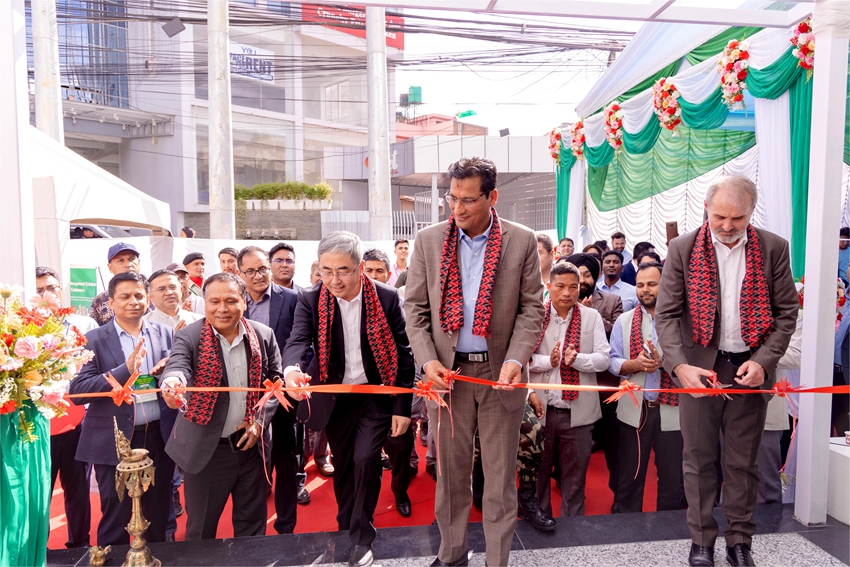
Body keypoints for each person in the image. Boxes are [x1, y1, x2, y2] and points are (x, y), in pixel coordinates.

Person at [404, 156, 544, 567]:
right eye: (453, 198)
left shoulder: (521, 240)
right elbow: (415, 310)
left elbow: (532, 309)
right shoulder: (428, 241)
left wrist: (516, 358)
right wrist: (427, 361)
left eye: (468, 200)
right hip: (447, 375)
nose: (458, 208)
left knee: (499, 481)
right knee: (450, 475)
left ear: (492, 197)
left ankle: (496, 561)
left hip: (500, 374)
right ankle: (452, 555)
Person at [655, 175, 798, 567]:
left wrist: (764, 361)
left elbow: (787, 314)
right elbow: (666, 316)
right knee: (698, 459)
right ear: (706, 208)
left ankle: (739, 542)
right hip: (700, 369)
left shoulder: (773, 248)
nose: (727, 225)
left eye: (737, 218)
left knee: (742, 463)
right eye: (720, 216)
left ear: (752, 212)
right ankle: (701, 541)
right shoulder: (683, 248)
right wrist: (680, 366)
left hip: (749, 369)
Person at [283, 231, 414, 567]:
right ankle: (347, 524)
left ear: (359, 268)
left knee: (366, 459)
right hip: (335, 397)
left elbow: (404, 352)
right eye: (326, 271)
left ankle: (361, 537)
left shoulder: (386, 297)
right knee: (344, 466)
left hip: (374, 395)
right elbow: (298, 341)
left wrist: (402, 407)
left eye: (342, 270)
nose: (334, 280)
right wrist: (292, 371)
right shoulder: (311, 298)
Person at [160, 273, 283, 540]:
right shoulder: (189, 336)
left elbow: (276, 384)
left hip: (251, 448)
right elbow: (177, 365)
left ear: (244, 302)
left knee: (252, 528)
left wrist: (259, 422)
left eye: (231, 300)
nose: (222, 308)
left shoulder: (263, 335)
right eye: (214, 301)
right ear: (204, 303)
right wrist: (172, 383)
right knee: (201, 532)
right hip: (207, 451)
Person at [69, 272, 176, 546]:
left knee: (157, 511)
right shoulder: (93, 339)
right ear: (112, 302)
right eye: (125, 296)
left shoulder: (166, 333)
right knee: (116, 513)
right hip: (114, 439)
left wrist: (168, 371)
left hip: (158, 436)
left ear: (148, 299)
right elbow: (78, 391)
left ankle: (153, 559)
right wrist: (124, 370)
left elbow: (178, 373)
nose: (133, 302)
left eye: (139, 295)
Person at [235, 245, 305, 531]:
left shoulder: (293, 299)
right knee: (249, 459)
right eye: (250, 271)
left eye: (262, 268)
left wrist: (294, 374)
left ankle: (286, 526)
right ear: (239, 273)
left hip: (283, 393)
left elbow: (303, 342)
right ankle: (252, 530)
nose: (258, 275)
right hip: (243, 394)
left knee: (285, 458)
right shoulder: (233, 302)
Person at [531, 262, 610, 517]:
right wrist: (549, 361)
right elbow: (522, 361)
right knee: (538, 476)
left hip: (578, 414)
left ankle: (573, 529)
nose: (567, 293)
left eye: (573, 287)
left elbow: (604, 359)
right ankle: (540, 522)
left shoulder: (591, 316)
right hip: (540, 411)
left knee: (575, 480)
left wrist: (576, 359)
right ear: (549, 286)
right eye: (560, 286)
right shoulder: (535, 315)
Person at [608, 262, 686, 513]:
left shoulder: (683, 321)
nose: (645, 290)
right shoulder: (624, 320)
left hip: (673, 410)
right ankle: (627, 527)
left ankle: (669, 528)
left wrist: (666, 364)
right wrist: (634, 364)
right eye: (640, 284)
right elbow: (612, 360)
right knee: (630, 474)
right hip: (635, 410)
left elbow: (694, 363)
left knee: (673, 477)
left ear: (667, 285)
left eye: (652, 284)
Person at [36, 267, 97, 549]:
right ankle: (40, 548)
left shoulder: (85, 324)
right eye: (39, 290)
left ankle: (80, 545)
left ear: (61, 290)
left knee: (78, 489)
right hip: (38, 425)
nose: (46, 295)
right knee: (39, 493)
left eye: (51, 288)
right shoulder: (22, 330)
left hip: (78, 420)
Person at [362, 248, 416, 518]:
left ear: (388, 274)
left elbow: (406, 352)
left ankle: (400, 492)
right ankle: (365, 504)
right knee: (364, 457)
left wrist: (402, 403)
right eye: (369, 271)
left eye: (379, 271)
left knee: (401, 450)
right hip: (361, 398)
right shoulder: (348, 303)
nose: (374, 276)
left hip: (393, 394)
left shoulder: (396, 301)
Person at [90, 243, 151, 326]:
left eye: (131, 259)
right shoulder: (101, 300)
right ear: (110, 267)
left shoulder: (156, 293)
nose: (128, 265)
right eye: (120, 260)